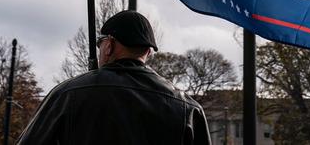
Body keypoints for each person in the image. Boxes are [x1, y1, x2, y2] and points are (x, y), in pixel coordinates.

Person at [18, 10, 210, 144]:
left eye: (100, 44)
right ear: (148, 52)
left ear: (109, 45)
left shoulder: (68, 94)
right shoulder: (189, 109)